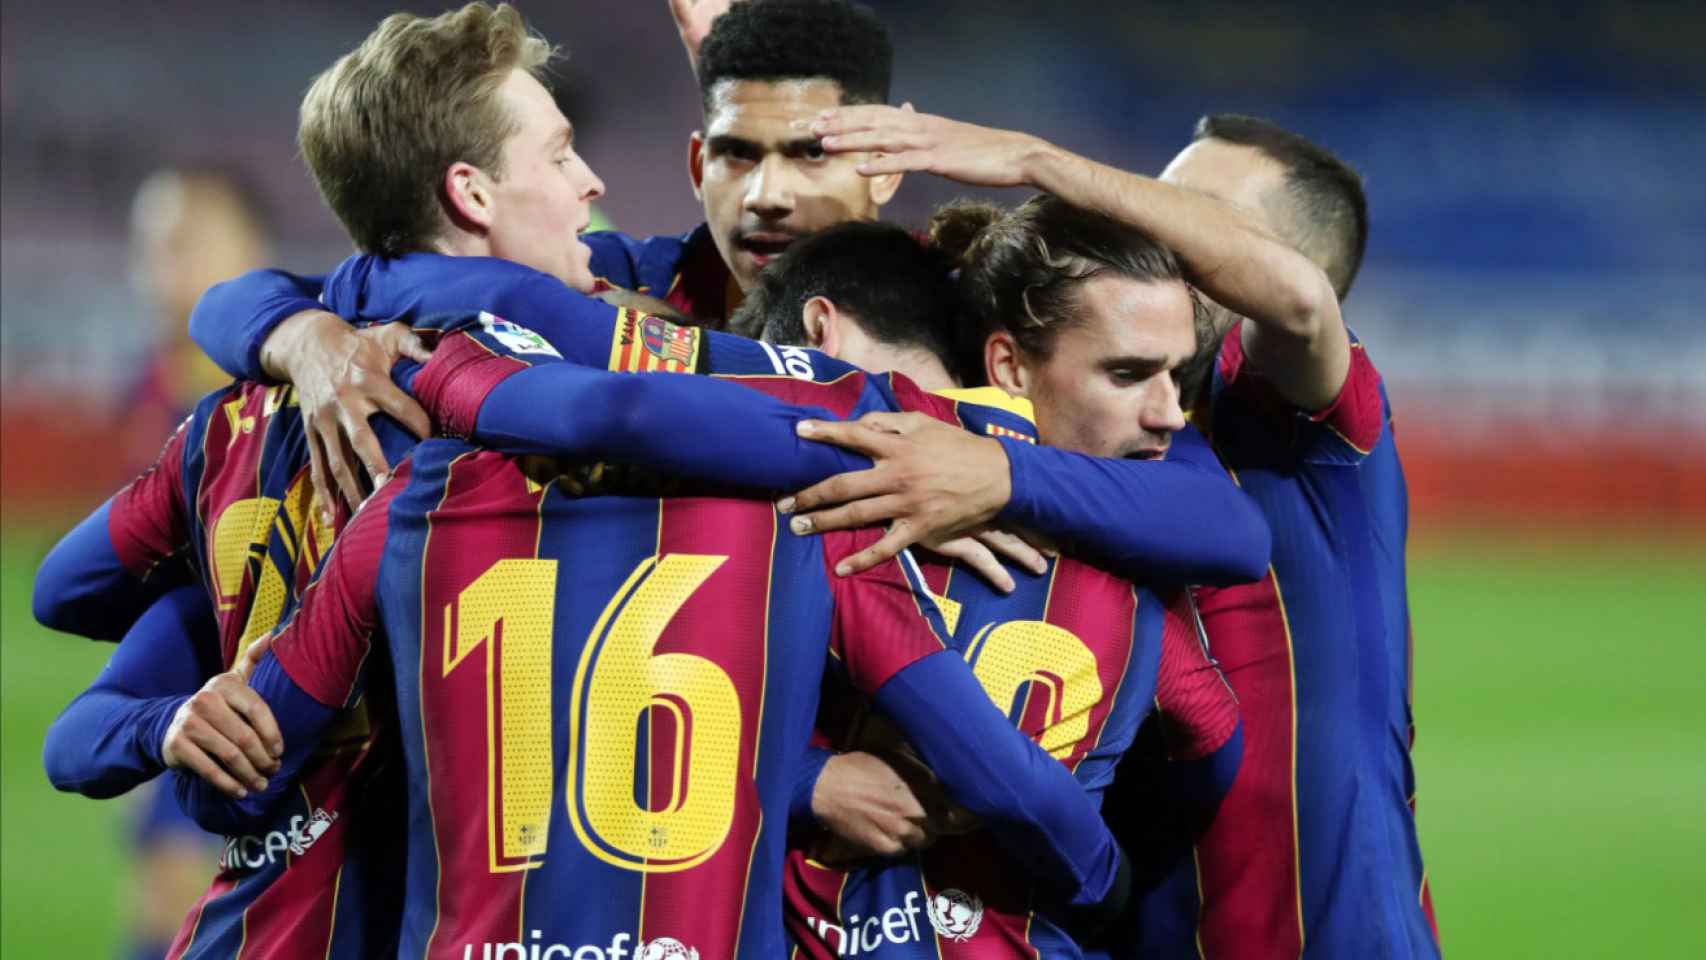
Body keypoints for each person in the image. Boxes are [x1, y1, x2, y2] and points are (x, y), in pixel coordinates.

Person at [800, 104, 1435, 957]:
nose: (1140, 223)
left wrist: (1033, 157)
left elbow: (1298, 302)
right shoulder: (1090, 413)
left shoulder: (1311, 432)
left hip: (1326, 934)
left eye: (1186, 213)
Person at [732, 213, 1245, 959]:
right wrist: (1103, 872)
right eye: (1129, 372)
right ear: (1002, 365)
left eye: (1175, 376)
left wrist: (806, 780)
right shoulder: (1123, 557)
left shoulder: (776, 506)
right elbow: (1210, 736)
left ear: (820, 330)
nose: (1168, 412)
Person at [185, 0, 902, 520]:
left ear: (888, 165)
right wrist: (306, 339)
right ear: (697, 164)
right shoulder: (636, 278)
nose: (767, 195)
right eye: (736, 154)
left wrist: (1008, 471)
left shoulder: (942, 312)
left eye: (812, 155)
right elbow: (248, 299)